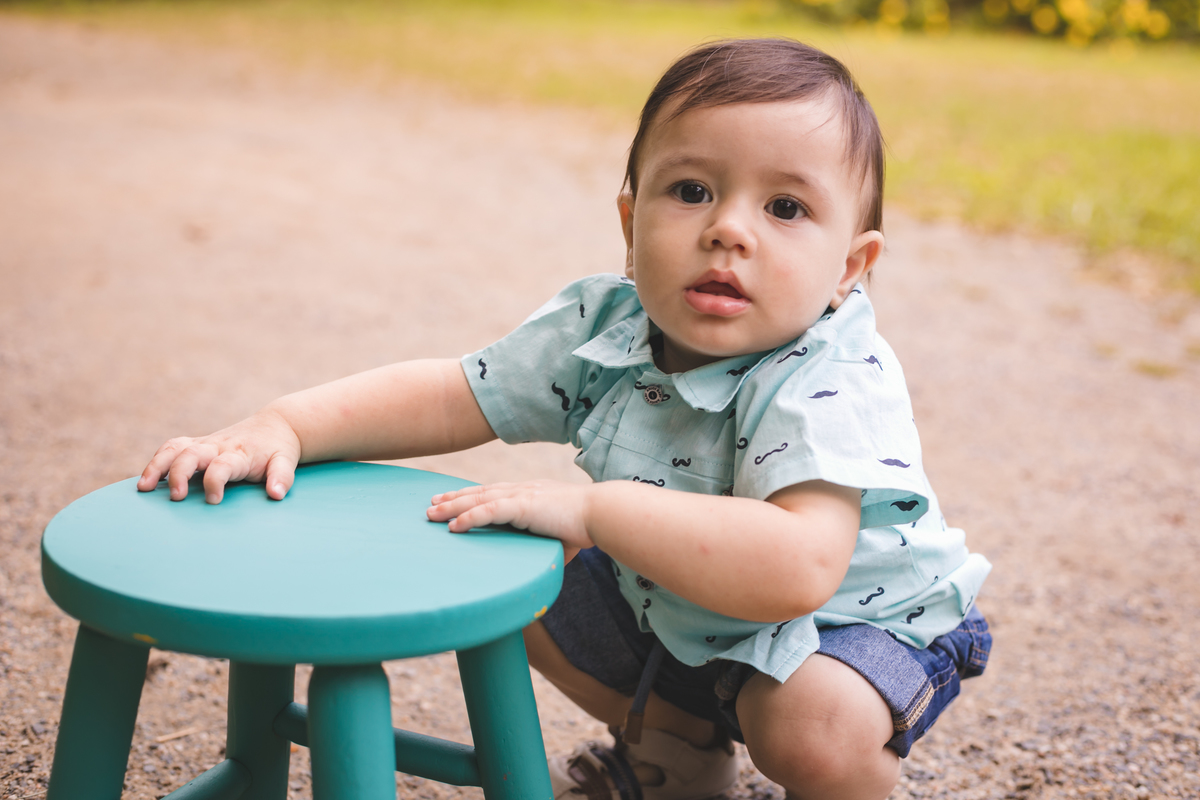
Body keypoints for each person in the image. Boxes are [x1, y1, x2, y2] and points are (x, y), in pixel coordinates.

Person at [138, 38, 992, 800]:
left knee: (808, 725)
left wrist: (593, 511)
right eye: (692, 190)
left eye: (785, 209)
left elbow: (798, 568)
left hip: (851, 627)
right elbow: (450, 393)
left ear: (852, 266)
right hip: (685, 607)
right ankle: (679, 751)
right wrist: (286, 425)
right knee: (503, 563)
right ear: (629, 223)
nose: (729, 229)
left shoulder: (831, 376)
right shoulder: (604, 328)